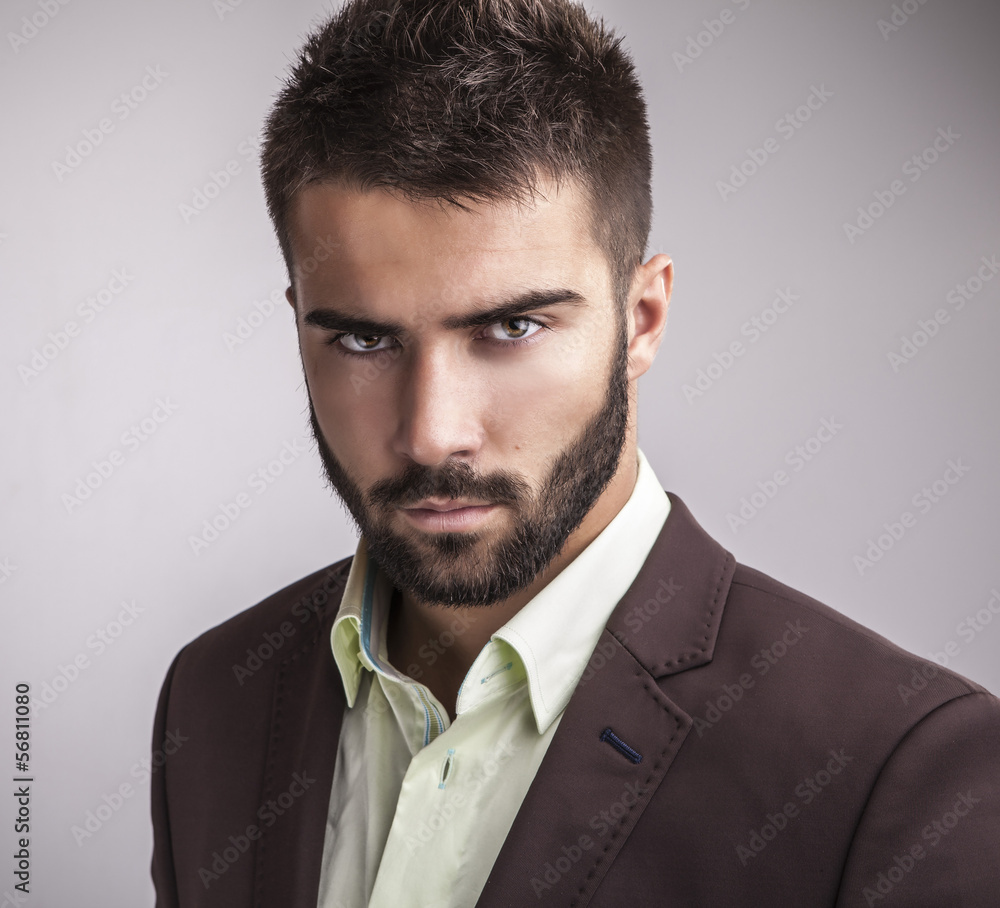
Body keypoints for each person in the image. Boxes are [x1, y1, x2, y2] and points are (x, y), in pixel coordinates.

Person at [150, 1, 1000, 905]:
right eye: (363, 341)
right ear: (298, 327)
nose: (434, 432)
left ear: (641, 321)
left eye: (511, 327)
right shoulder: (214, 698)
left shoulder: (902, 772)